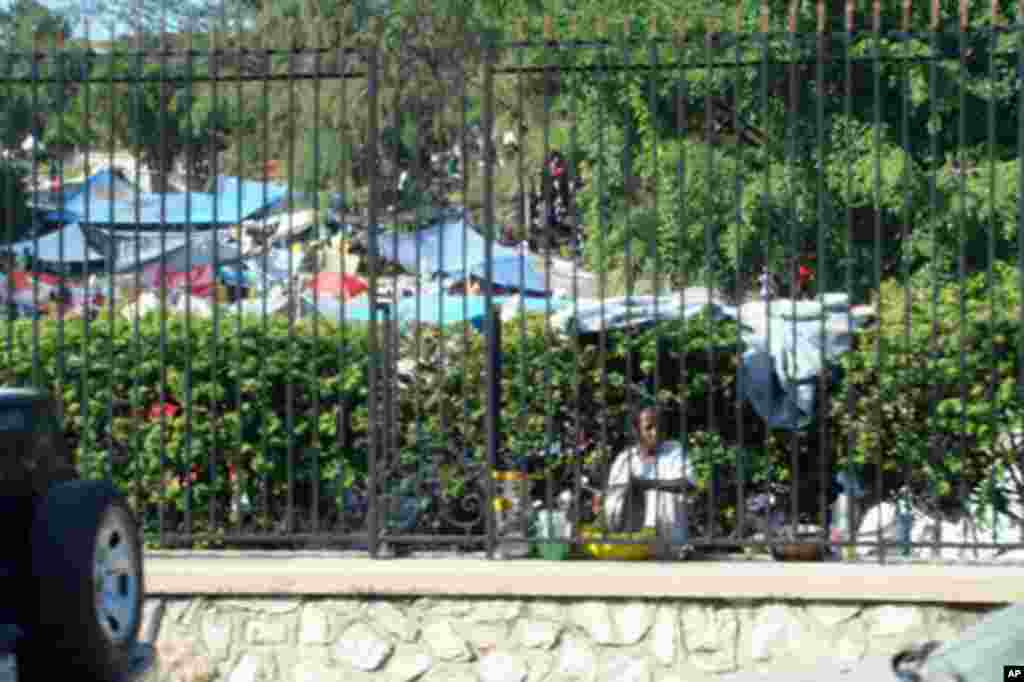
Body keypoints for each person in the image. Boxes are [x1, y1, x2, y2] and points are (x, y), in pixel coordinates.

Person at [601, 405, 694, 558]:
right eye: (649, 428)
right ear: (636, 431)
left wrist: (648, 484)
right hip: (633, 550)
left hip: (672, 548)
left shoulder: (675, 451)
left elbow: (689, 485)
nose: (655, 433)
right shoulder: (625, 459)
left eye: (659, 427)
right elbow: (612, 504)